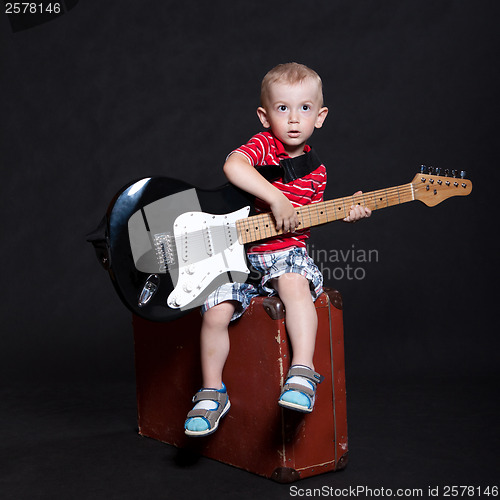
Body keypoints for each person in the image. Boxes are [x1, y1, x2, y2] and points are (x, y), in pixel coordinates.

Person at [184, 62, 371, 437]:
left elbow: (307, 219)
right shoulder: (263, 146)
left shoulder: (317, 172)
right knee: (215, 310)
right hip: (237, 257)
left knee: (293, 284)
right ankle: (211, 391)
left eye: (304, 108)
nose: (293, 118)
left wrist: (345, 213)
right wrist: (275, 197)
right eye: (282, 108)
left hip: (285, 253)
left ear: (320, 117)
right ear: (264, 115)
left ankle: (301, 372)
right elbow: (233, 165)